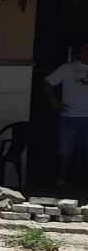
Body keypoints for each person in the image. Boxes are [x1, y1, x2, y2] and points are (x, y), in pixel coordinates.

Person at [44, 42, 88, 186]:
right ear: (80, 52)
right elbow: (48, 82)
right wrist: (54, 101)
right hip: (69, 116)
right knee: (65, 150)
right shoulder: (67, 68)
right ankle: (63, 179)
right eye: (85, 50)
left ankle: (82, 181)